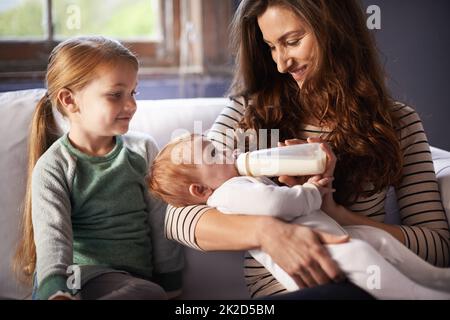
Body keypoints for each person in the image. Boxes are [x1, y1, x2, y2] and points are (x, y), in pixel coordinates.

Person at [165, 0, 450, 299]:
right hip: (286, 291)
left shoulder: (397, 122)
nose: (281, 63)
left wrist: (333, 211)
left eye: (292, 41)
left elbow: (439, 246)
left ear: (336, 31)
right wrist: (269, 233)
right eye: (271, 47)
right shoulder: (249, 112)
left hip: (364, 278)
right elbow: (175, 216)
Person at [150, 134, 450, 299]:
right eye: (214, 154)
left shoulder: (233, 182)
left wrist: (328, 206)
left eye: (292, 41)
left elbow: (438, 241)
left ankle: (436, 279)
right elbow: (272, 205)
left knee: (377, 240)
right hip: (317, 265)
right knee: (361, 253)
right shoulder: (228, 192)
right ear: (201, 189)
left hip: (333, 233)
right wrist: (307, 193)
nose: (227, 150)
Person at [12, 36, 183, 300]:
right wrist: (56, 291)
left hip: (131, 285)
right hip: (77, 280)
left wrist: (172, 283)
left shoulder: (143, 151)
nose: (131, 105)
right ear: (70, 101)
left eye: (133, 93)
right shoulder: (54, 166)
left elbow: (162, 222)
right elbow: (53, 240)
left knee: (148, 292)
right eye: (116, 95)